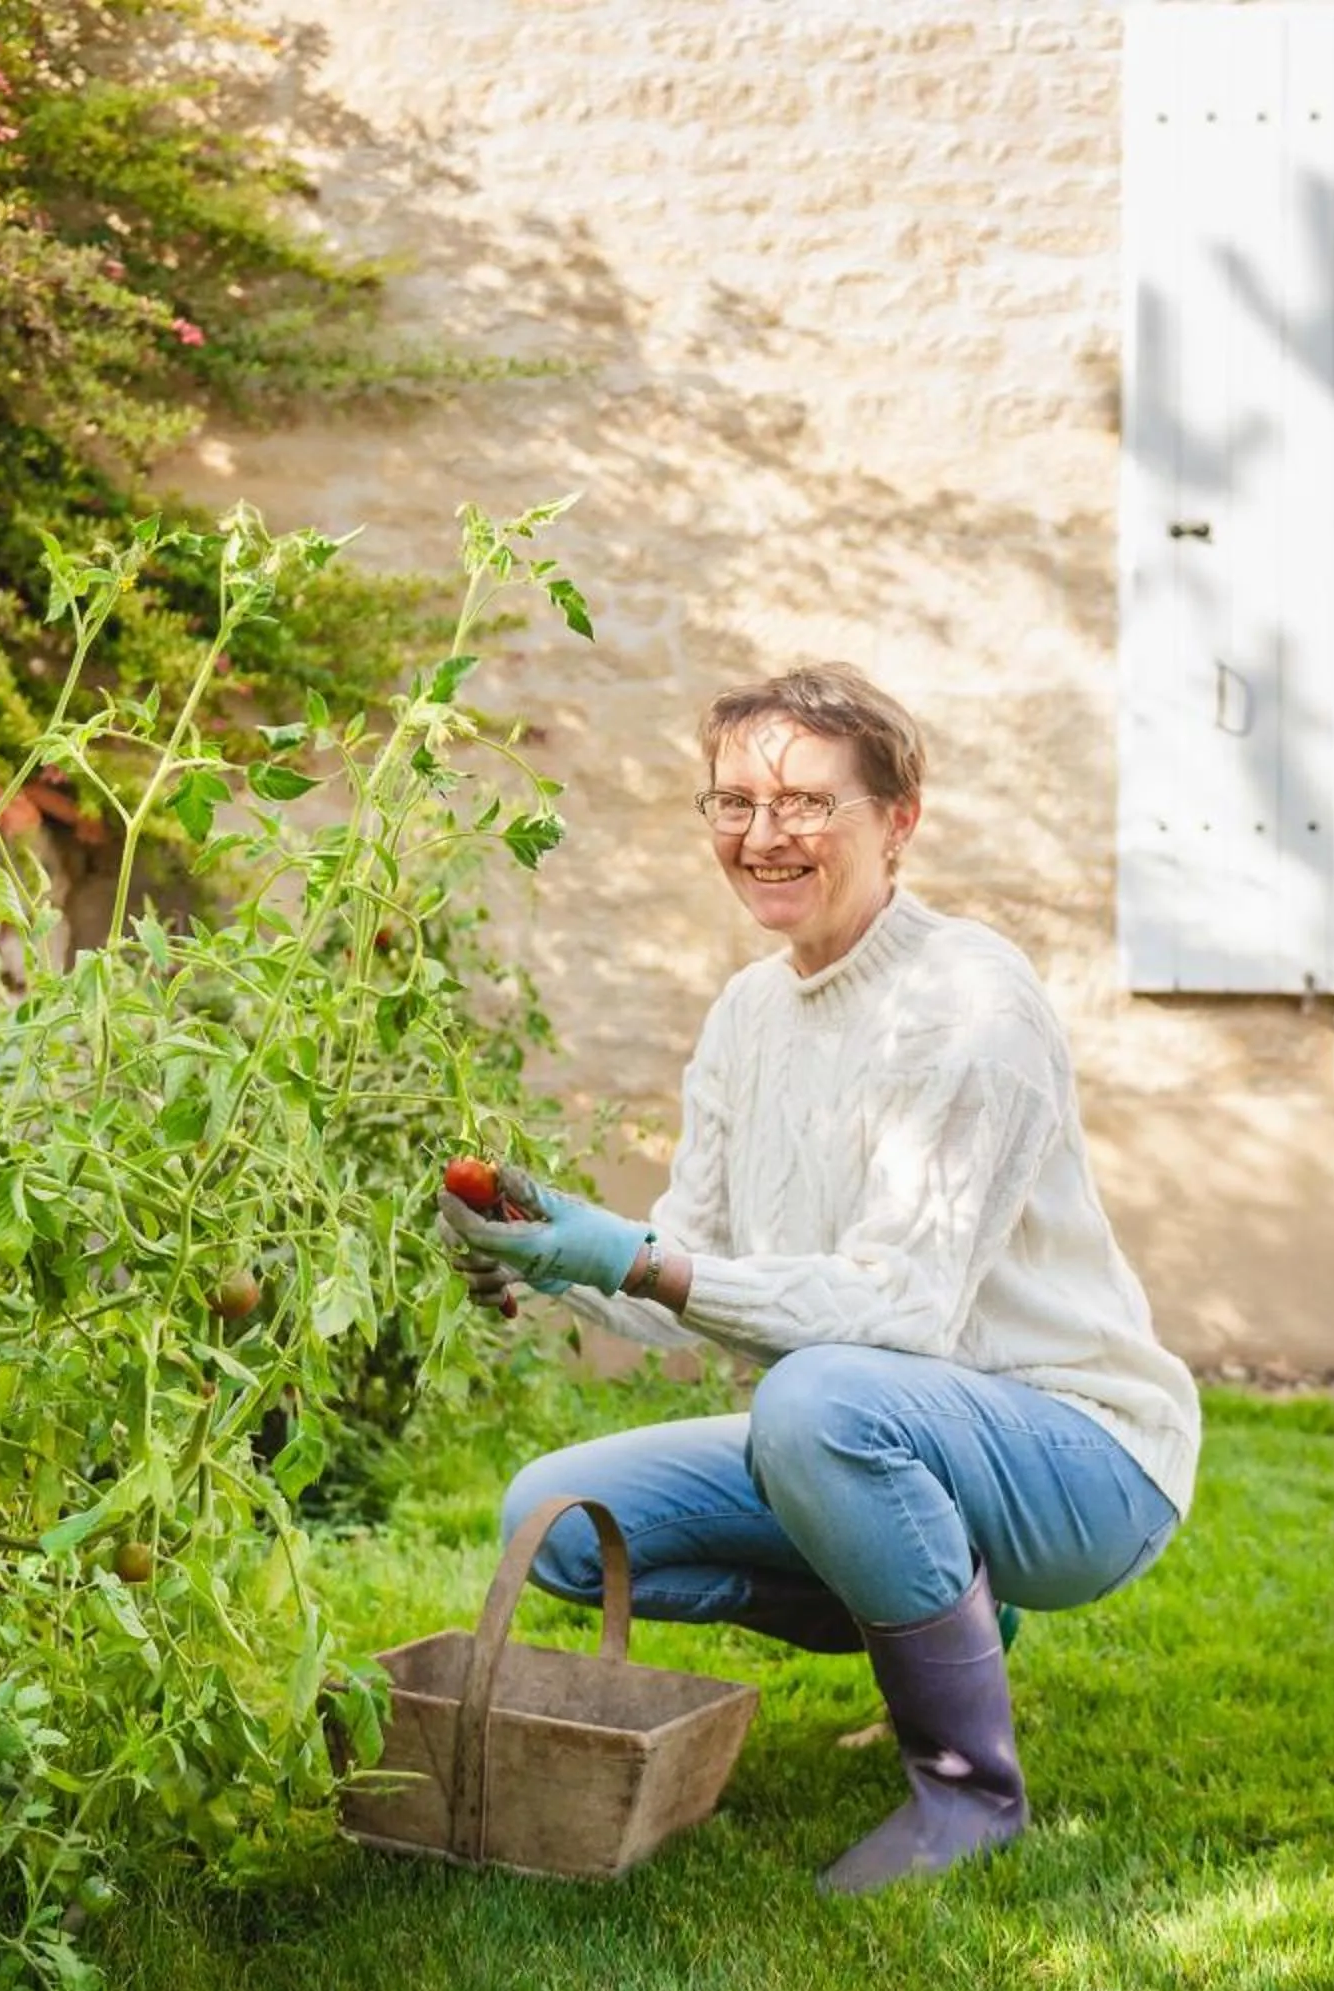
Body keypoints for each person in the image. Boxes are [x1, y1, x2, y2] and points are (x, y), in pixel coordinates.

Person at [436, 664, 1200, 1895]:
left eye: (804, 801)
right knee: (555, 1512)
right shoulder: (747, 1012)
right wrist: (556, 1259)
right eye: (733, 801)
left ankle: (968, 1791)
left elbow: (901, 1310)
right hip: (879, 1424)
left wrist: (640, 1257)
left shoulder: (969, 1002)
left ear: (898, 820)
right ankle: (959, 1608)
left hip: (1083, 1453)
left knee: (816, 1398)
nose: (762, 833)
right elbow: (689, 1270)